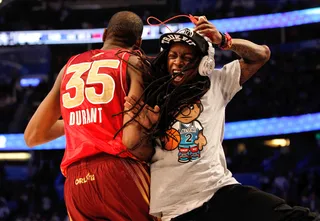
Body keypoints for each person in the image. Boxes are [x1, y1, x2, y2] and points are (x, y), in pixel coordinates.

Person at [126, 16, 320, 221]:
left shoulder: (216, 83)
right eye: (173, 56)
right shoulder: (154, 97)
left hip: (218, 190)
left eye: (186, 57)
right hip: (176, 207)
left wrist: (223, 40)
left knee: (294, 217)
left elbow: (261, 54)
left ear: (204, 64)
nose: (177, 62)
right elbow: (139, 151)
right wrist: (146, 128)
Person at [24, 11, 159, 221]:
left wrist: (85, 121)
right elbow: (132, 140)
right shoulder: (134, 62)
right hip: (119, 170)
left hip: (76, 181)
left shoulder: (70, 65)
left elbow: (33, 136)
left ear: (104, 34)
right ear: (139, 42)